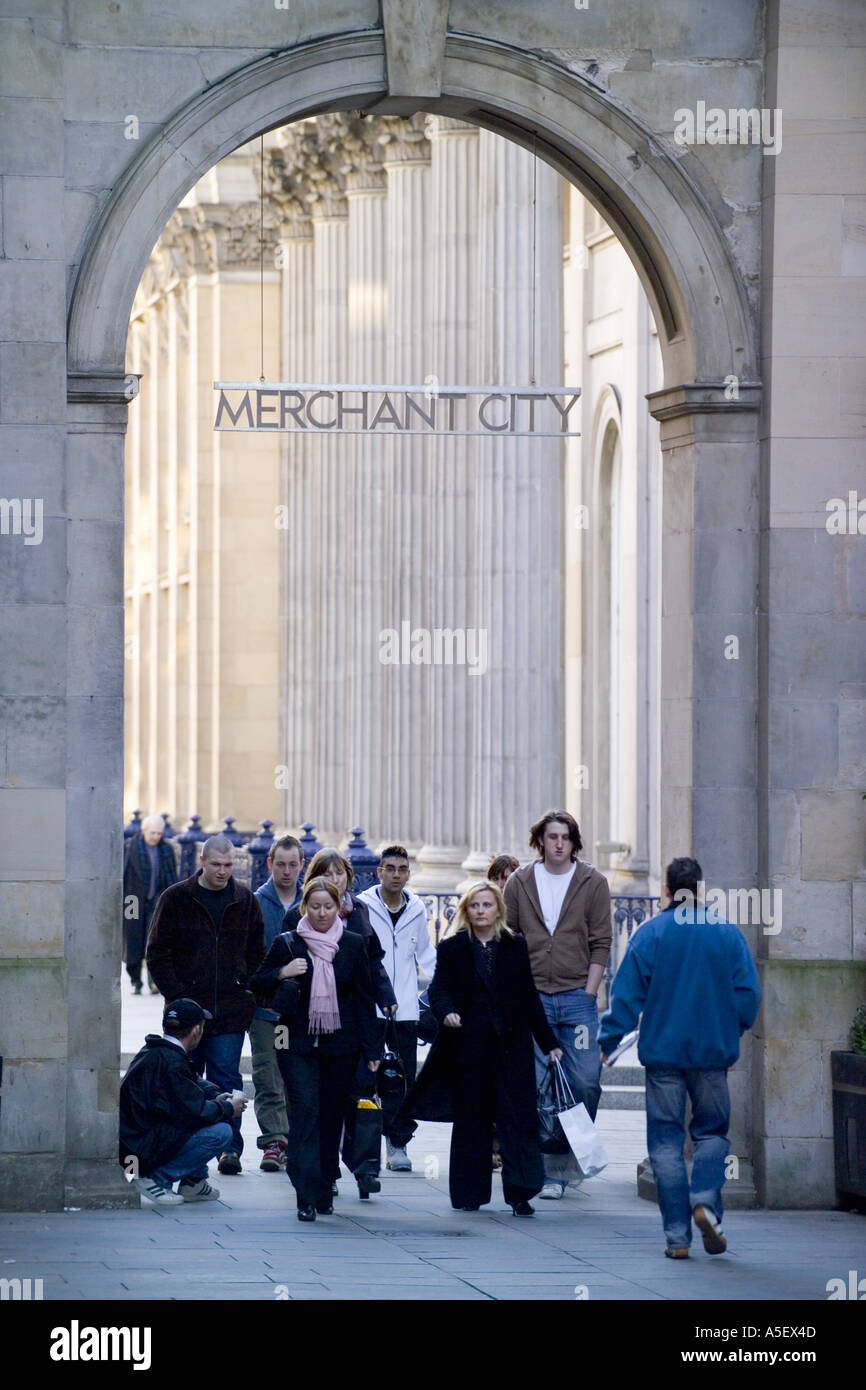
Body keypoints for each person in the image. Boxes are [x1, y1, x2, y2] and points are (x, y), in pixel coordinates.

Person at [599, 857, 762, 1259]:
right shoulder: (726, 933)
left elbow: (625, 996)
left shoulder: (650, 934)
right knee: (711, 1134)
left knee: (666, 1144)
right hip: (711, 1054)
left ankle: (677, 1238)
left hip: (663, 1055)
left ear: (667, 891)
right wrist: (734, 1027)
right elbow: (748, 994)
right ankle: (705, 1198)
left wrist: (608, 1039)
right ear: (700, 889)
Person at [404, 881, 562, 1215]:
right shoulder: (452, 948)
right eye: (475, 906)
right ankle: (468, 1193)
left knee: (516, 1119)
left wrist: (549, 1043)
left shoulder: (515, 947)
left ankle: (521, 1193)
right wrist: (446, 1012)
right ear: (466, 910)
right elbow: (438, 990)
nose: (481, 911)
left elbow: (529, 997)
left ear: (498, 910)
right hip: (470, 1046)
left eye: (487, 905)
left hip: (511, 1046)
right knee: (471, 1119)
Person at [250, 877, 382, 1221]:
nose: (322, 913)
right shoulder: (288, 943)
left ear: (338, 908)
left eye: (328, 906)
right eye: (315, 906)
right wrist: (282, 972)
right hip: (296, 1044)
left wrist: (373, 1051)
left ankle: (324, 1189)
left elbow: (366, 1001)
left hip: (341, 1045)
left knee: (331, 1118)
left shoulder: (352, 945)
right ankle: (304, 1195)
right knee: (305, 1113)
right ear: (303, 907)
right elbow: (257, 982)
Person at [503, 809, 611, 1199]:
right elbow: (507, 937)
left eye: (565, 837)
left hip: (576, 999)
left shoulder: (593, 882)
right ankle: (546, 1170)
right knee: (533, 1085)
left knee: (585, 1080)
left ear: (574, 842)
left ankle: (569, 1157)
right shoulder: (520, 881)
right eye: (552, 837)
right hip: (532, 999)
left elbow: (602, 942)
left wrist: (588, 992)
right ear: (540, 841)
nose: (559, 843)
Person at [146, 833, 266, 1176]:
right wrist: (179, 995)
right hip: (186, 1013)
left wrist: (245, 988)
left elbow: (257, 952)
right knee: (183, 1079)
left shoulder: (244, 900)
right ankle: (186, 1149)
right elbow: (157, 953)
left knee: (227, 1078)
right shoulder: (176, 898)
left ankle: (229, 1149)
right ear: (203, 861)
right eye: (217, 864)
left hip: (229, 1009)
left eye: (229, 865)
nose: (223, 871)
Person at [284, 848, 398, 1198]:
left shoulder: (360, 914)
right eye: (327, 873)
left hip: (350, 1024)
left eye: (339, 873)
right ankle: (321, 1174)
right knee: (315, 1106)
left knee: (354, 1099)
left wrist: (386, 996)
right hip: (309, 1028)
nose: (334, 880)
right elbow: (277, 968)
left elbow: (372, 962)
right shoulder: (295, 919)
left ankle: (361, 1167)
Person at [119, 998, 247, 1207]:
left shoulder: (156, 1051)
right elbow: (195, 1112)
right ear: (196, 1031)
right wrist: (227, 1108)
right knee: (221, 1132)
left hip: (139, 1140)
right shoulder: (170, 1060)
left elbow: (193, 1085)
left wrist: (217, 1096)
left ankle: (193, 1182)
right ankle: (156, 1179)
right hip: (141, 1148)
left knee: (208, 1117)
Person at [357, 845, 437, 1172]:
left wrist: (438, 996)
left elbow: (427, 956)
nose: (396, 875)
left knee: (402, 1080)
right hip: (370, 1008)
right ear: (379, 872)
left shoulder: (417, 909)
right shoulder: (362, 905)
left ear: (408, 873)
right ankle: (364, 1147)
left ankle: (397, 1143)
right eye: (389, 868)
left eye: (402, 869)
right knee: (368, 1079)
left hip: (405, 1009)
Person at [251, 835, 304, 1172]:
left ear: (302, 865)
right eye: (280, 864)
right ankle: (274, 1141)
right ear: (269, 864)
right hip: (264, 1005)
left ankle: (296, 1140)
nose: (287, 871)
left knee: (295, 1075)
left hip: (301, 1007)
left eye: (293, 864)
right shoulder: (254, 902)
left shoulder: (312, 902)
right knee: (267, 1075)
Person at [122, 814, 178, 995]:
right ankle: (135, 980)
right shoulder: (130, 847)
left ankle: (154, 982)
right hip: (133, 900)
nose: (156, 837)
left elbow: (172, 877)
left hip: (157, 900)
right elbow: (122, 875)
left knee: (155, 941)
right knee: (133, 941)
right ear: (144, 831)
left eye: (159, 833)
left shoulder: (167, 850)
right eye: (153, 833)